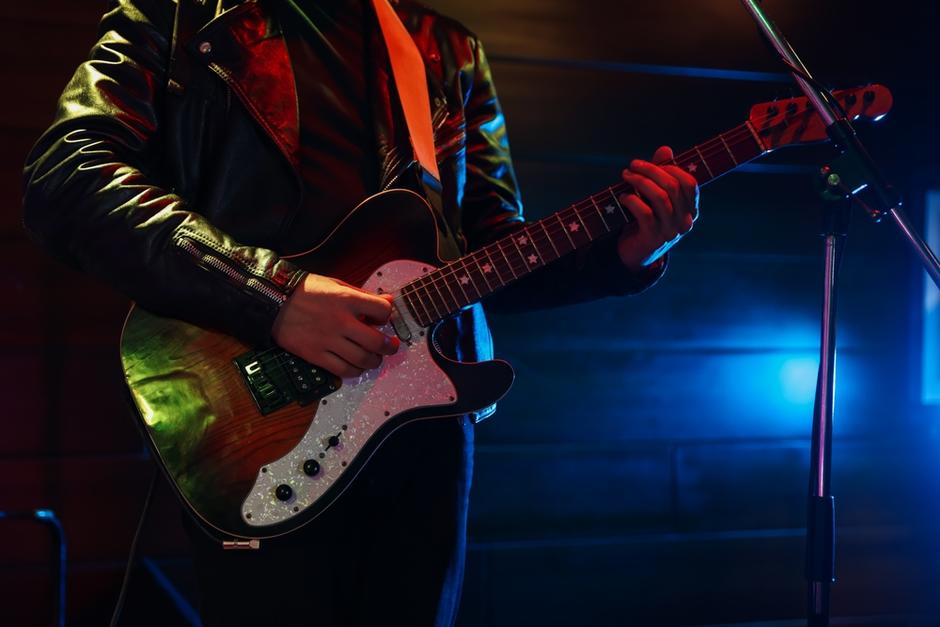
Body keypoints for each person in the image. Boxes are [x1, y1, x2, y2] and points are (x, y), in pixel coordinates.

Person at [22, 0, 698, 625]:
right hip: (257, 416)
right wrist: (273, 296)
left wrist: (623, 254)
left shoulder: (443, 49)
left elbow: (488, 251)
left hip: (422, 429)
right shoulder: (185, 12)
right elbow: (68, 173)